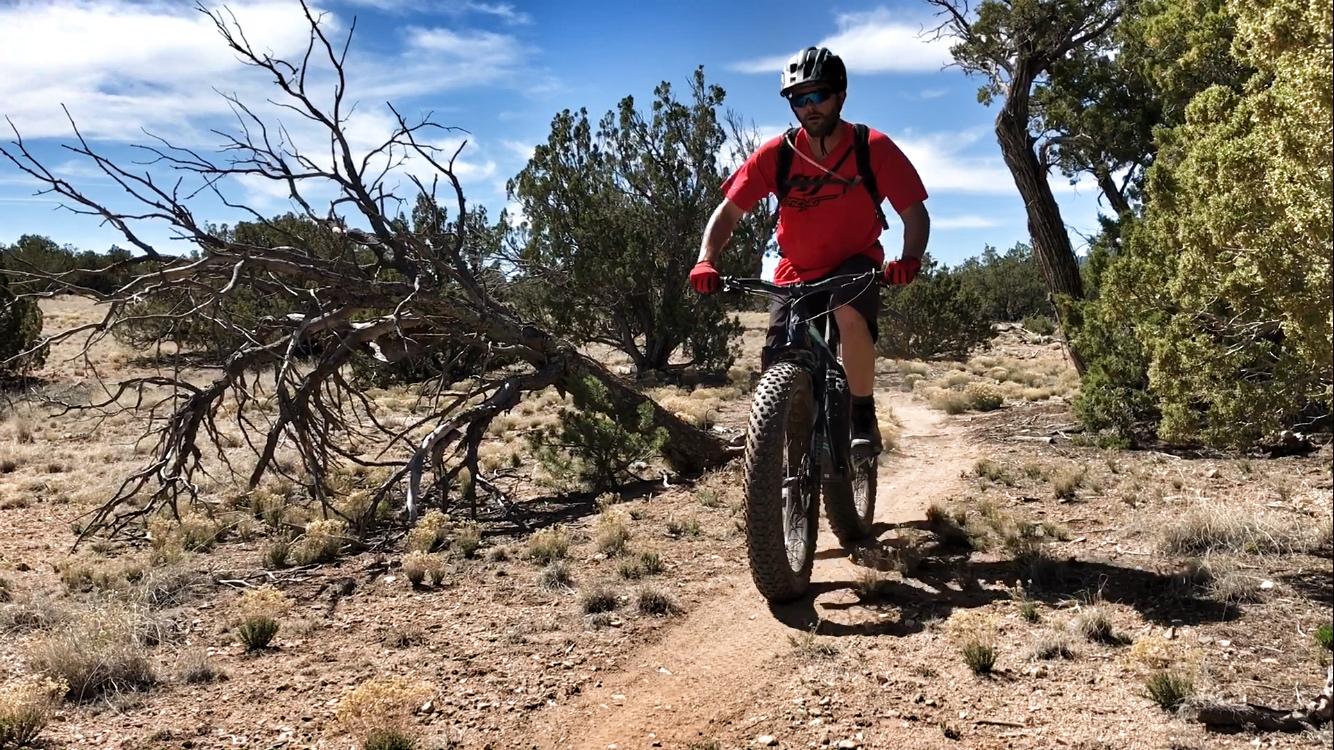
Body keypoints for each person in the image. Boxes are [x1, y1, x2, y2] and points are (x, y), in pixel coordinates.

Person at [688, 45, 930, 454]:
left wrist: (909, 259)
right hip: (796, 271)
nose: (809, 107)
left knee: (848, 312)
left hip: (855, 263)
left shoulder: (873, 148)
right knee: (781, 353)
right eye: (799, 99)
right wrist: (705, 259)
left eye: (818, 95)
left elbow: (914, 214)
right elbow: (728, 213)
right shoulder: (777, 155)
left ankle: (861, 413)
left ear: (841, 95)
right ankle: (785, 451)